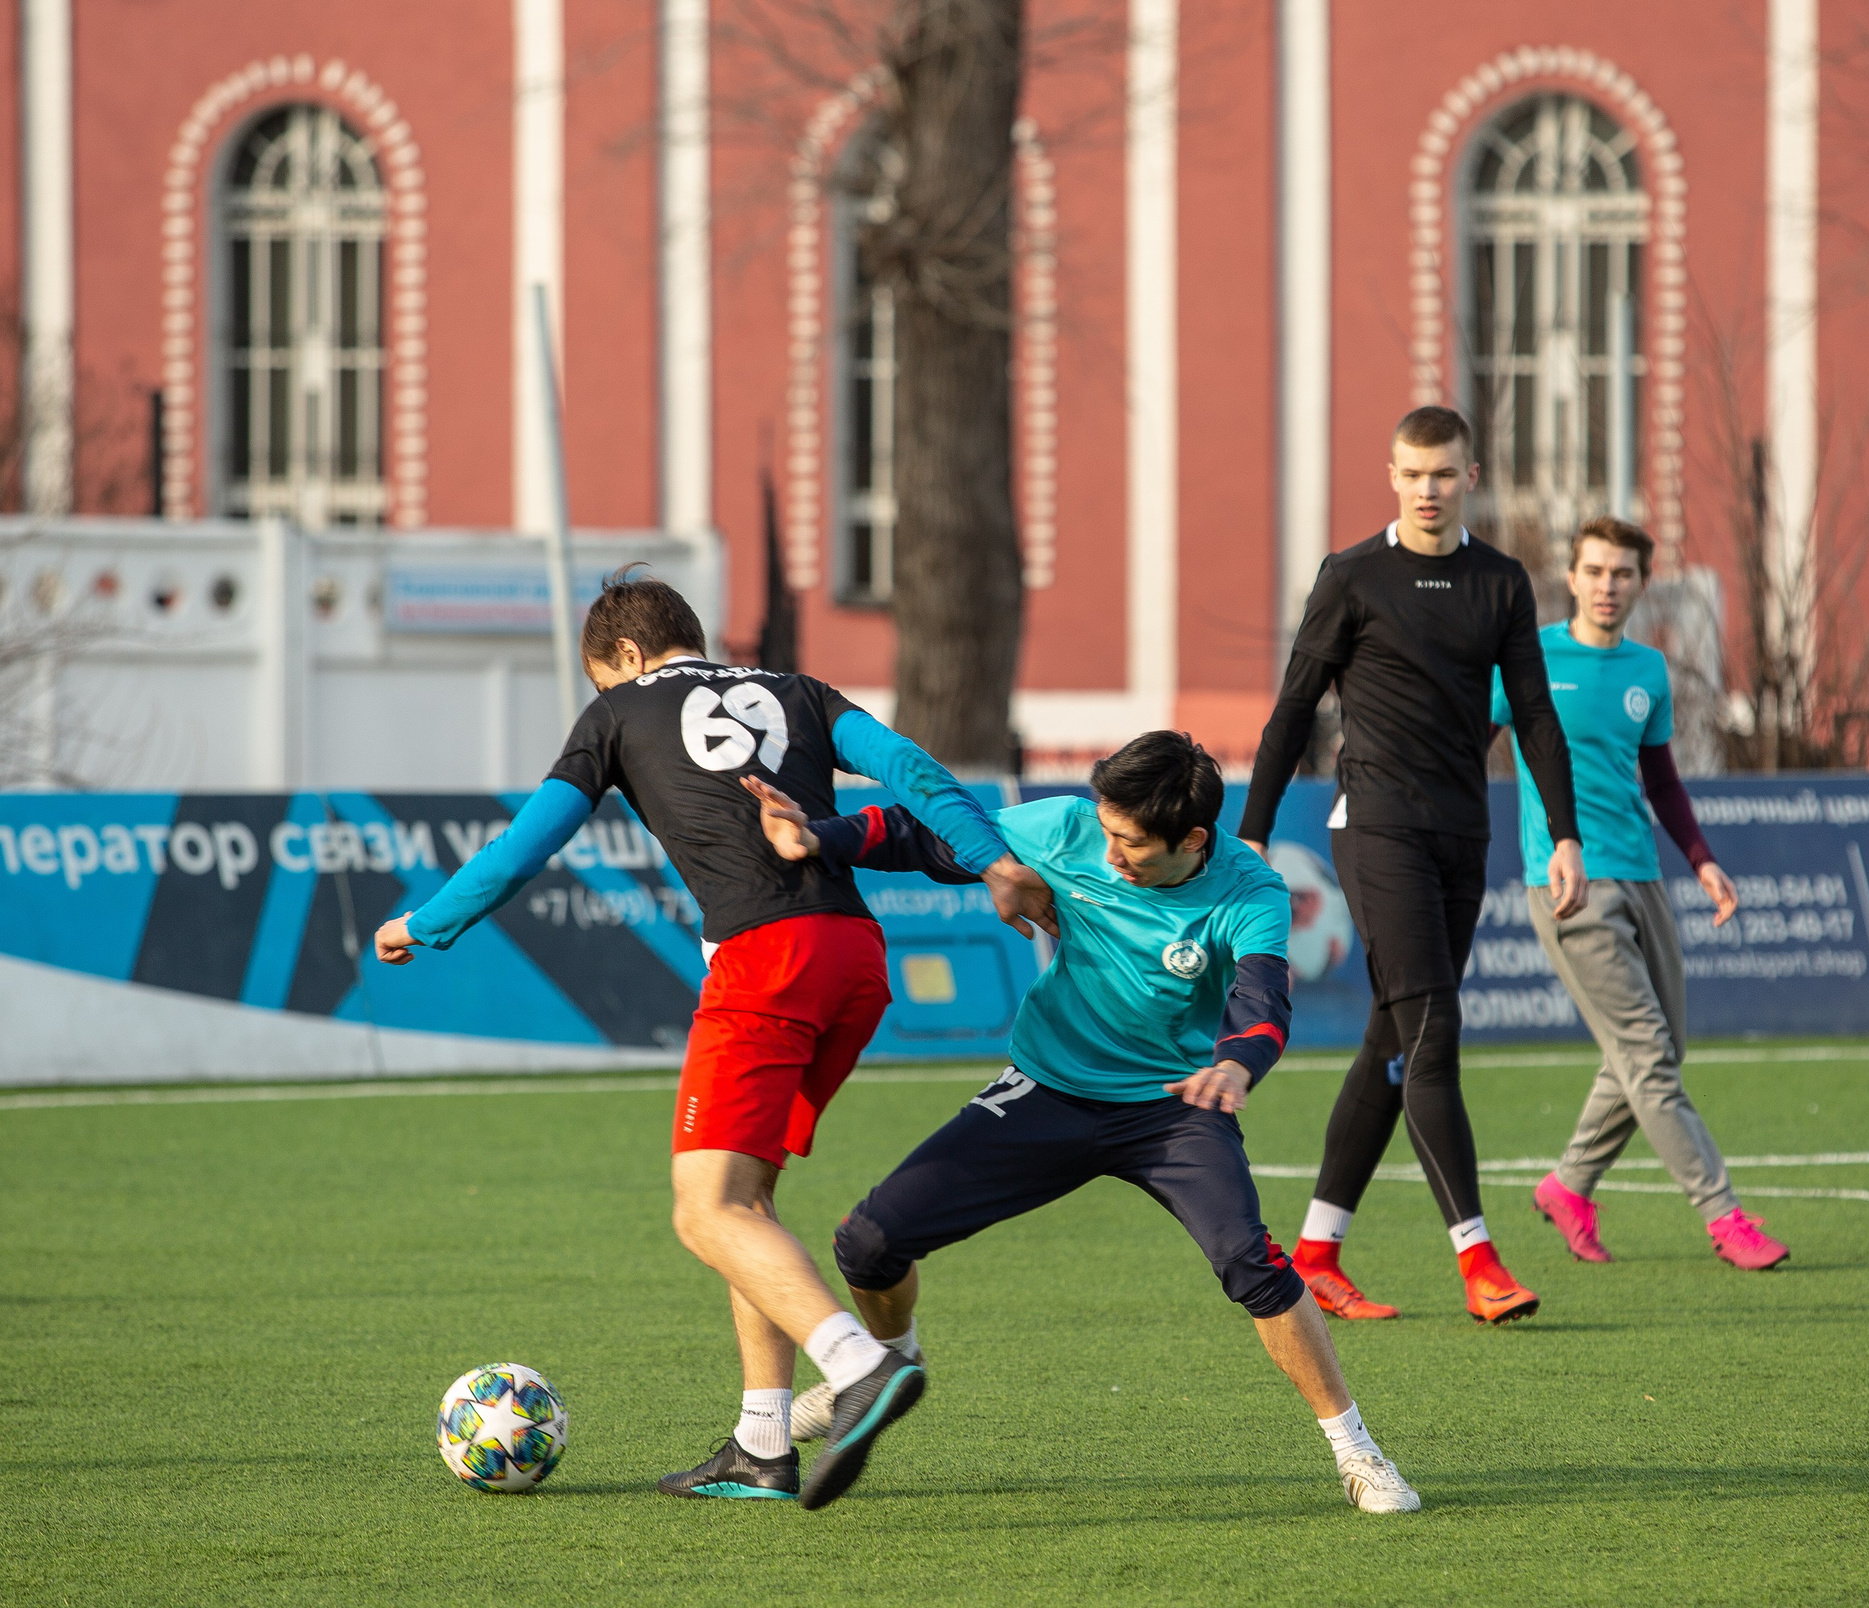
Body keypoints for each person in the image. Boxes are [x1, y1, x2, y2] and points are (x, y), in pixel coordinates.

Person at [373, 569, 1053, 1499]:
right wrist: (996, 865)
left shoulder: (617, 714)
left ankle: (858, 1366)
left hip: (765, 961)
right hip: (854, 956)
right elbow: (913, 770)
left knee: (704, 1210)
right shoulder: (801, 693)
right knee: (749, 1202)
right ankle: (762, 1442)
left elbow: (524, 846)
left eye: (603, 679)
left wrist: (425, 923)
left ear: (624, 655)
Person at [753, 732, 1422, 1515]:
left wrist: (1236, 1064)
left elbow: (1262, 1001)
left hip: (1175, 1110)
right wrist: (821, 835)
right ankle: (883, 1371)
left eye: (1132, 844)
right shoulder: (1068, 826)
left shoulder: (1251, 890)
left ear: (1194, 841)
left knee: (1251, 1261)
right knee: (865, 1244)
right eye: (1107, 833)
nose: (1109, 855)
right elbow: (924, 834)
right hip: (1046, 1089)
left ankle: (1358, 1451)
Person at [1239, 405, 1587, 1326]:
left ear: (1471, 475)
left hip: (1462, 832)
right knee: (1433, 1029)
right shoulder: (1351, 575)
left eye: (1443, 473)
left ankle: (1315, 1251)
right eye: (1411, 473)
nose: (1426, 489)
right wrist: (1253, 830)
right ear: (1390, 476)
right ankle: (1478, 1259)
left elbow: (1538, 716)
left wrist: (1562, 832)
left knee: (1393, 1041)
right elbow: (1292, 710)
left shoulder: (1502, 581)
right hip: (1377, 826)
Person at [1494, 518, 1789, 1272]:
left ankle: (1569, 1184)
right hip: (1566, 881)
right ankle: (1724, 1217)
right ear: (1571, 576)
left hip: (1643, 873)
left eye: (1622, 573)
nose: (1606, 584)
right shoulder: (1529, 659)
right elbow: (1463, 738)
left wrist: (1701, 859)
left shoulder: (1648, 670)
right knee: (1648, 1057)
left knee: (1657, 1050)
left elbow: (1661, 779)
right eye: (1594, 570)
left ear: (1640, 583)